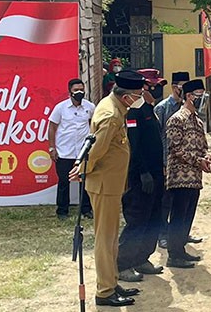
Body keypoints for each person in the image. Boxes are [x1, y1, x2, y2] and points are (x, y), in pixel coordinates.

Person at [69, 70, 145, 307]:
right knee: (106, 239)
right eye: (138, 94)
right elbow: (97, 149)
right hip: (104, 185)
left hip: (110, 184)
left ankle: (111, 281)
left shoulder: (116, 106)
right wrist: (82, 169)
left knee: (111, 238)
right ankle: (104, 291)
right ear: (126, 96)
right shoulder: (111, 115)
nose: (141, 98)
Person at [116, 70, 167, 282]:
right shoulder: (133, 112)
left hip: (156, 173)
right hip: (140, 177)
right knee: (137, 220)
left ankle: (142, 258)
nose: (158, 90)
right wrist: (143, 172)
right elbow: (133, 145)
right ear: (143, 88)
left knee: (153, 218)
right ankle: (123, 264)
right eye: (154, 86)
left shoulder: (148, 108)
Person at [165, 79, 211, 269]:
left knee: (188, 216)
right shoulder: (177, 119)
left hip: (195, 178)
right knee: (178, 217)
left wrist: (206, 157)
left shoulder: (198, 121)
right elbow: (174, 148)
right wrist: (197, 160)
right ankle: (173, 255)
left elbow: (204, 145)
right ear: (189, 96)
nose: (202, 99)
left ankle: (181, 250)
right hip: (179, 177)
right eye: (199, 95)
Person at [155, 72, 195, 249]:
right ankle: (163, 234)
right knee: (166, 201)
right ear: (173, 87)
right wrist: (162, 163)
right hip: (167, 163)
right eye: (181, 86)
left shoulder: (189, 108)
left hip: (185, 165)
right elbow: (157, 138)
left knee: (182, 202)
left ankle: (181, 234)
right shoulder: (162, 108)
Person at [48, 78, 95, 220]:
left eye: (81, 90)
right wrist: (52, 148)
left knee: (84, 181)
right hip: (64, 151)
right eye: (76, 90)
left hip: (83, 151)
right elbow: (52, 127)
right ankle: (62, 211)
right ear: (70, 92)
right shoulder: (61, 108)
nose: (79, 92)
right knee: (64, 181)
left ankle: (86, 209)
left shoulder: (90, 107)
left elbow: (93, 125)